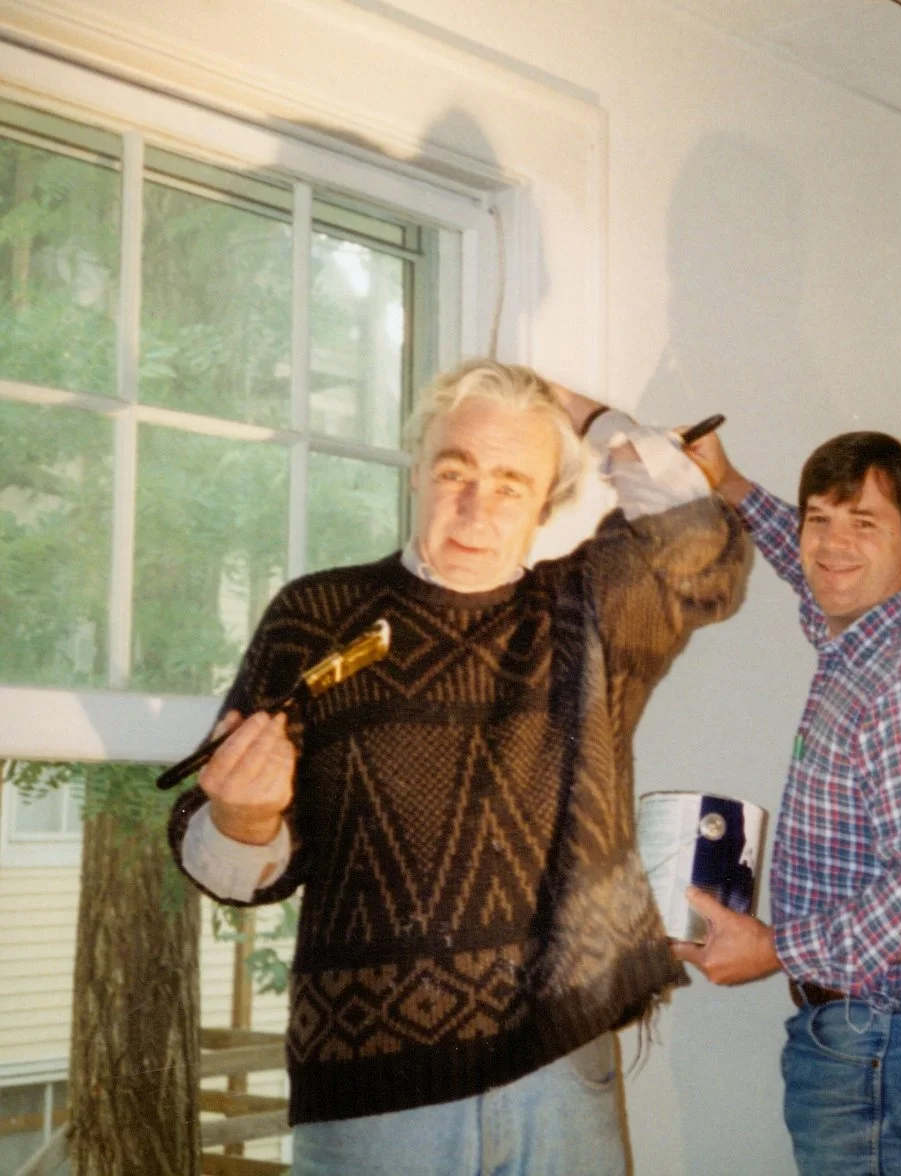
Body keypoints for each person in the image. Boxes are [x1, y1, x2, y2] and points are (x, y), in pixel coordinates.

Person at [166, 360, 748, 1176]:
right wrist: (244, 816)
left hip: (562, 1063)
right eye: (455, 471)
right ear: (417, 471)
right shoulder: (320, 616)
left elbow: (702, 542)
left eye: (513, 482)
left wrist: (590, 419)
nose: (477, 507)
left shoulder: (586, 613)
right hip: (378, 1092)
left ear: (546, 502)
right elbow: (224, 861)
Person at [677, 430, 901, 1176]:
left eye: (865, 525)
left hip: (890, 1043)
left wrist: (770, 949)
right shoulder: (862, 632)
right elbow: (812, 571)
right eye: (818, 519)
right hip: (884, 1037)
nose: (833, 546)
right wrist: (727, 481)